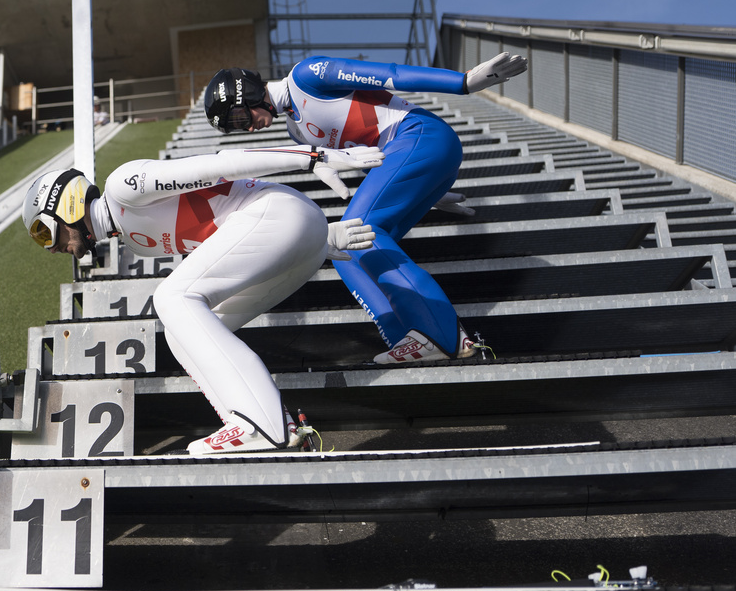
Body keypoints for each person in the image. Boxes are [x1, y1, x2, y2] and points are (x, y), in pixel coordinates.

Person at [22, 142, 383, 455]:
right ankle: (256, 425)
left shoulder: (122, 187)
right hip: (298, 237)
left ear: (65, 206)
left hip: (280, 215)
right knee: (180, 335)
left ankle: (261, 424)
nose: (50, 248)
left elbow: (221, 165)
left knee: (172, 297)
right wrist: (314, 237)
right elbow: (224, 241)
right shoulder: (134, 240)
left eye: (43, 232)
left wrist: (310, 156)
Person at [203, 53, 528, 365]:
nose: (247, 128)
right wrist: (424, 190)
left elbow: (391, 74)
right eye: (237, 127)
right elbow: (366, 159)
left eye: (240, 118)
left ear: (249, 93)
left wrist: (463, 83)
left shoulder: (307, 76)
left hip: (419, 135)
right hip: (408, 155)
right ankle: (406, 339)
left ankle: (440, 335)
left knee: (360, 229)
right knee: (345, 250)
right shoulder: (295, 130)